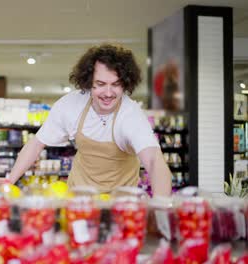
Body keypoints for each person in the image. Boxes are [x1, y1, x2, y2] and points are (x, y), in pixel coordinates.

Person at [9, 44, 172, 196]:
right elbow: (36, 143)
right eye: (100, 84)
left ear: (125, 84)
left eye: (115, 84)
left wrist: (161, 207)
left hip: (118, 205)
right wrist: (9, 181)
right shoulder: (71, 105)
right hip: (78, 200)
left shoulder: (131, 114)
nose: (108, 93)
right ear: (88, 82)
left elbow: (153, 160)